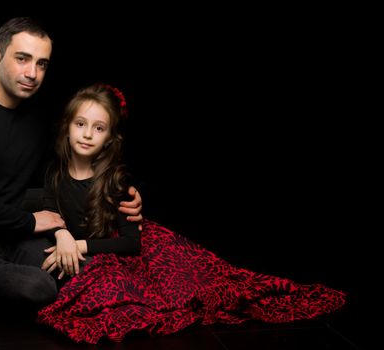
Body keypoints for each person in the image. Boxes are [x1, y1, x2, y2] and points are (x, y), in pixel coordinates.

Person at [36, 83, 346, 344]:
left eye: (98, 128)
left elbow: (132, 244)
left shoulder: (116, 181)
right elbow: (45, 207)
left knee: (207, 289)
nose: (88, 134)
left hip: (145, 252)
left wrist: (81, 245)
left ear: (109, 139)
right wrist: (64, 236)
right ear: (67, 127)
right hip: (99, 254)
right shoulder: (54, 175)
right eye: (81, 124)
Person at [0, 17, 142, 310]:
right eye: (23, 59)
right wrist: (32, 221)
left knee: (87, 273)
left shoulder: (35, 117)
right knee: (39, 287)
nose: (32, 73)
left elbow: (64, 171)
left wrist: (123, 194)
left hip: (10, 238)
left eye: (42, 64)